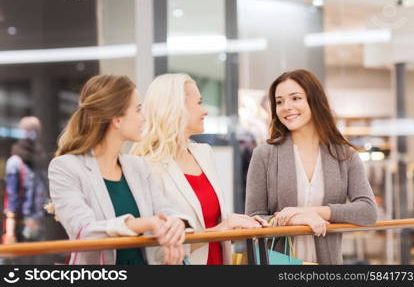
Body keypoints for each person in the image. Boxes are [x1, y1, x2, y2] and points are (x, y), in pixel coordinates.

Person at [49, 75, 189, 265]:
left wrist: (175, 222)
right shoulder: (66, 167)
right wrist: (145, 223)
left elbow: (167, 211)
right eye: (138, 110)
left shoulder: (138, 166)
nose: (143, 118)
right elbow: (84, 231)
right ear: (117, 120)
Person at [130, 74, 268, 265]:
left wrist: (236, 224)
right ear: (177, 108)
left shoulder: (204, 154)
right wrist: (220, 230)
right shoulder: (145, 165)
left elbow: (212, 221)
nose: (205, 111)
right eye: (199, 103)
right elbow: (155, 252)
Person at [245, 69, 377, 264]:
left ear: (314, 100)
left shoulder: (345, 155)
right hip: (277, 265)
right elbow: (253, 220)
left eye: (295, 98)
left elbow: (368, 211)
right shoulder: (264, 155)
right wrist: (294, 219)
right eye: (279, 101)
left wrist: (315, 212)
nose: (286, 107)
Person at [3, 116, 48, 247]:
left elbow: (44, 191)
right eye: (28, 130)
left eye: (34, 131)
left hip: (39, 222)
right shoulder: (16, 162)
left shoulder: (40, 159)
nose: (32, 135)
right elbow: (11, 197)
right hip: (21, 224)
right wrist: (10, 233)